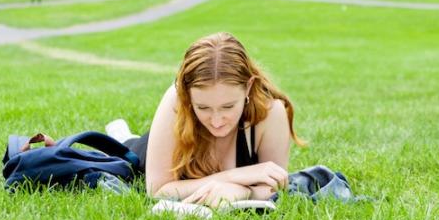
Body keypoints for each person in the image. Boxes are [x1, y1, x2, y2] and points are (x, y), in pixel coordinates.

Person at [117, 32, 304, 206]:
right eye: (203, 107)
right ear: (188, 95)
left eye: (228, 107)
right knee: (124, 149)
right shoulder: (176, 99)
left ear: (248, 87)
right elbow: (156, 190)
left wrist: (240, 192)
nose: (216, 121)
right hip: (142, 151)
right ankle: (121, 135)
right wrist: (235, 176)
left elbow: (276, 188)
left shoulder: (270, 113)